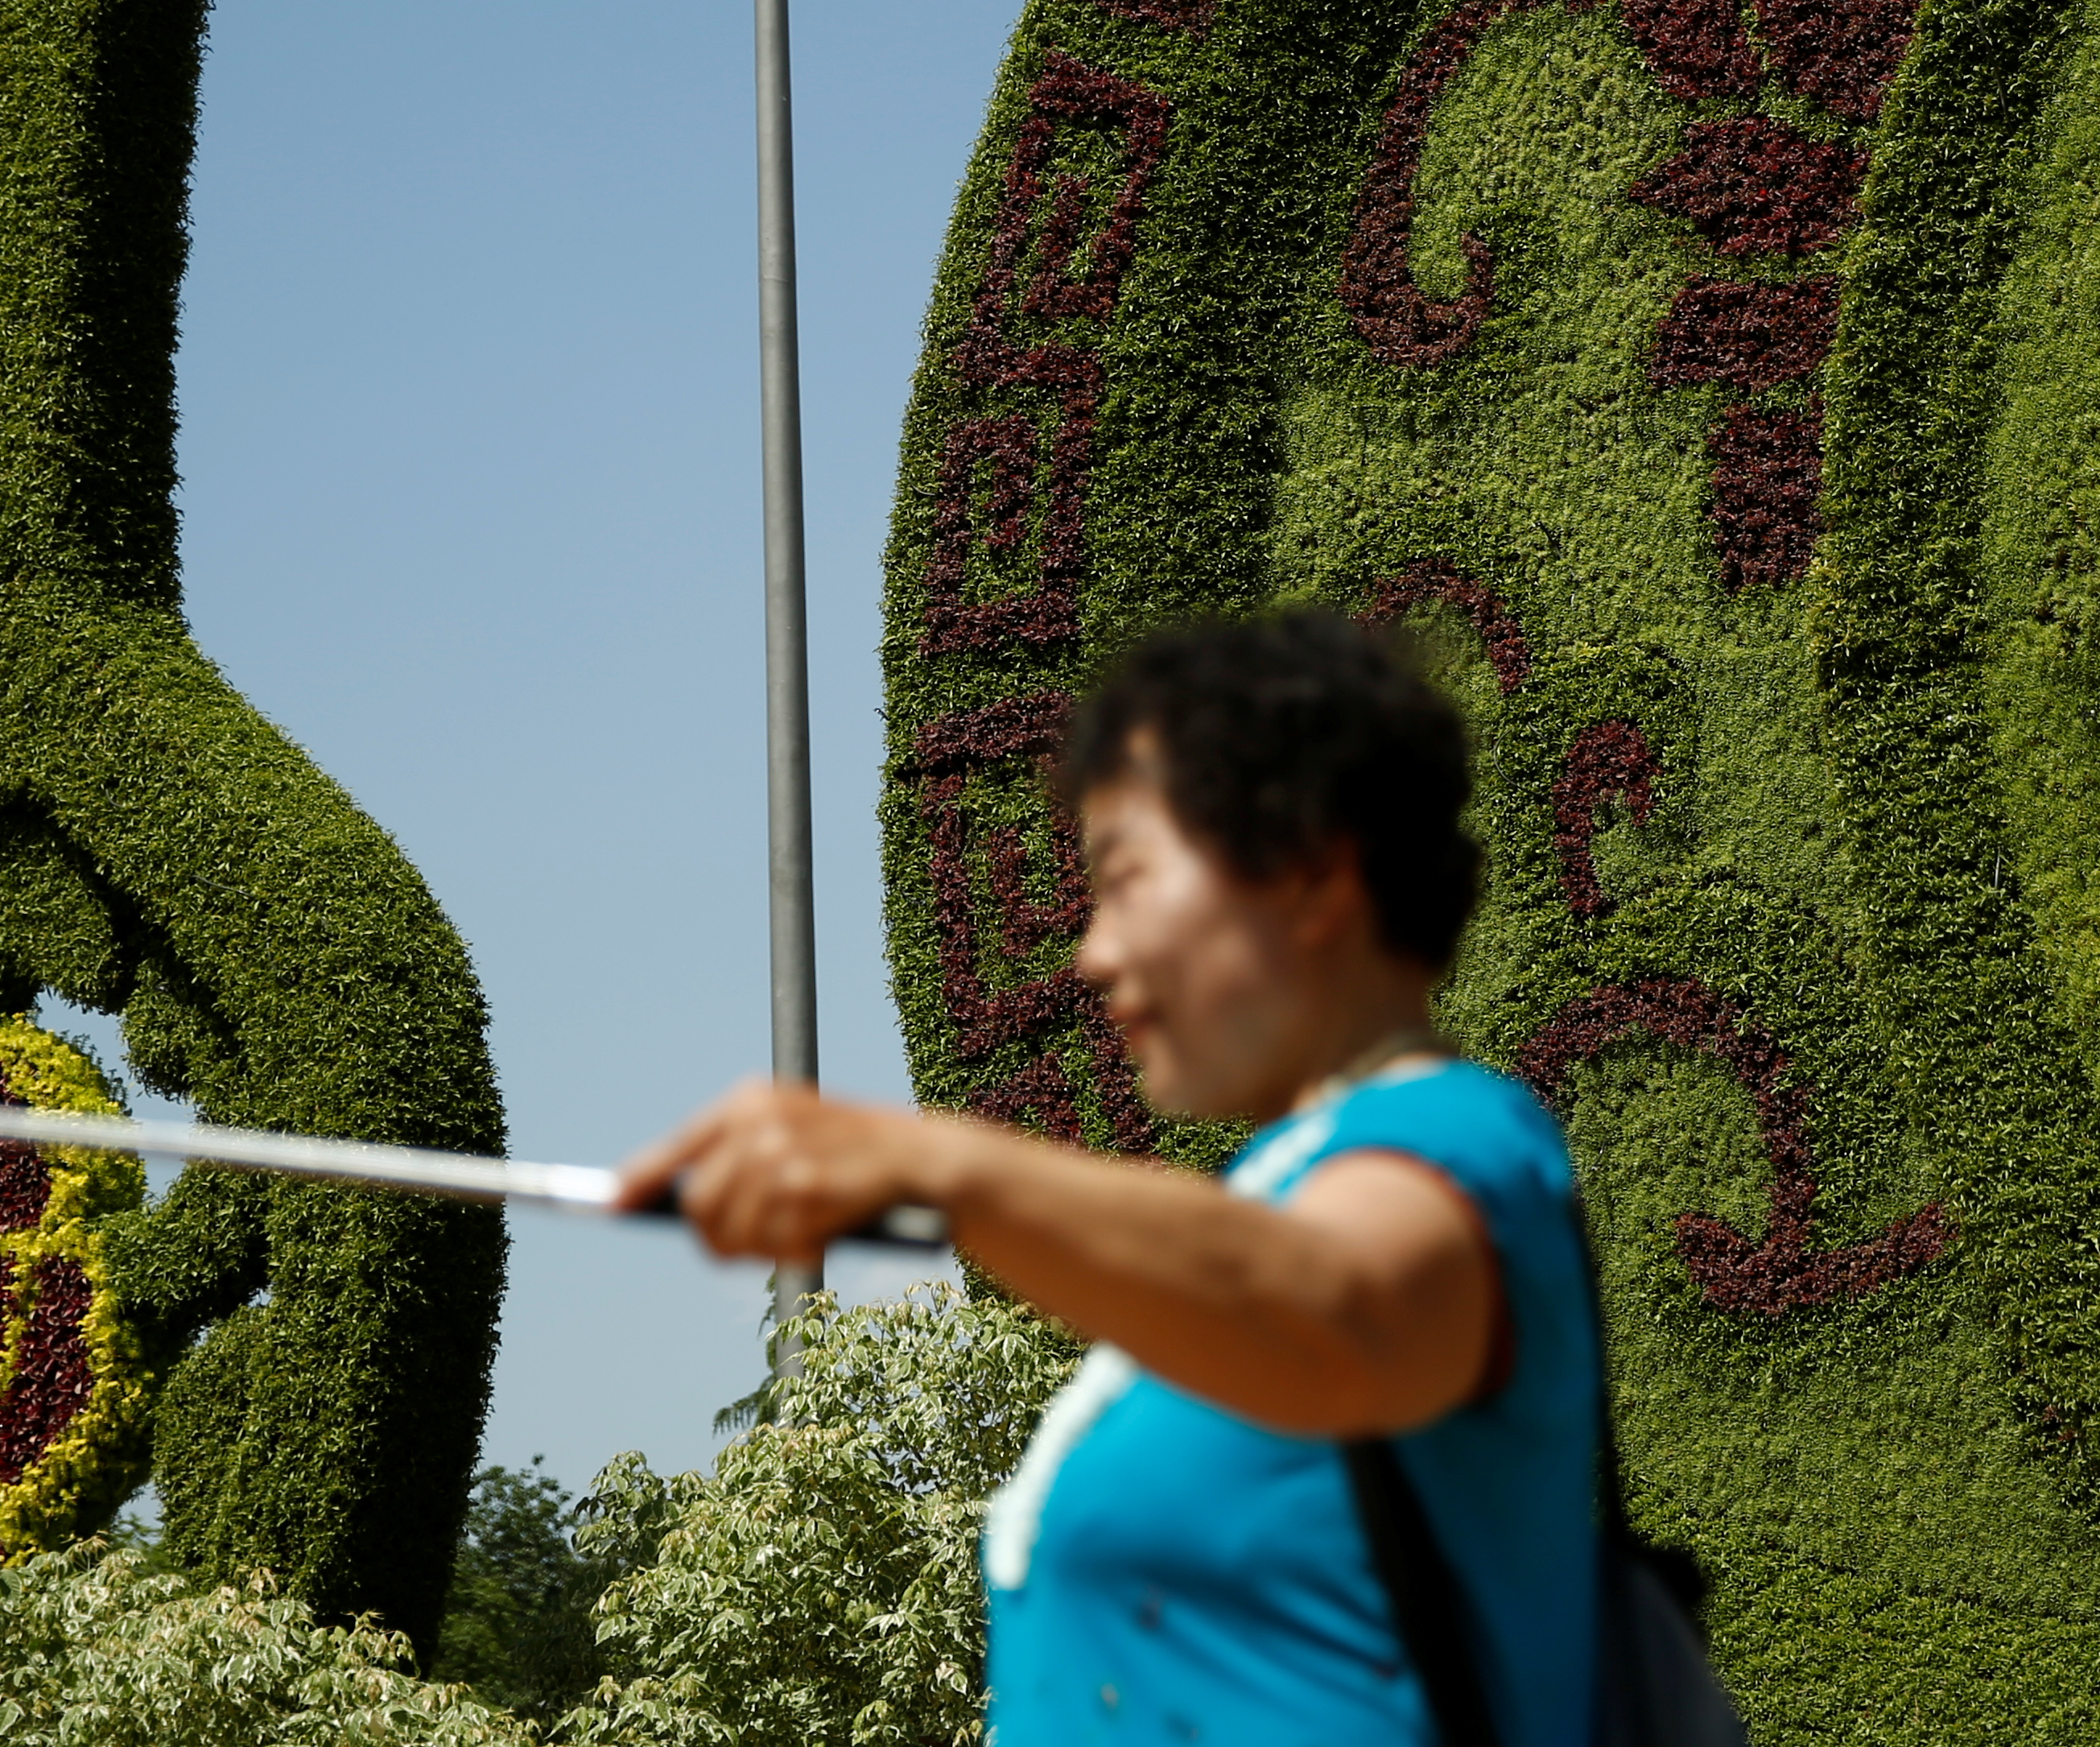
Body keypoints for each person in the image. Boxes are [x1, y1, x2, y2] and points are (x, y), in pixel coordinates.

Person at [625, 613, 1598, 1747]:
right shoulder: (1269, 1194)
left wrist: (939, 1160)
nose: (1090, 952)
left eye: (1124, 881)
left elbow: (1338, 1307)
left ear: (1312, 874)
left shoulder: (1463, 1138)